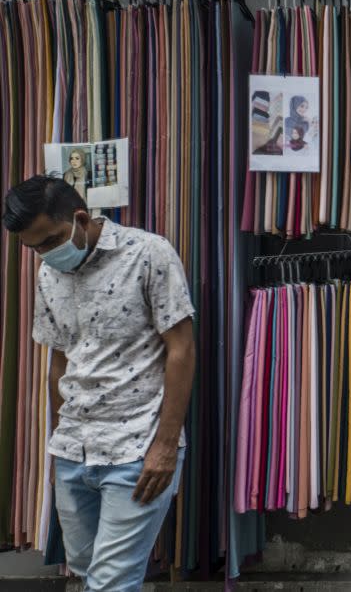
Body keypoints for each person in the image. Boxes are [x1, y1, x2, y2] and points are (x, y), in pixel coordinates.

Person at [2, 176, 196, 592]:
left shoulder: (148, 253)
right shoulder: (47, 274)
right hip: (74, 450)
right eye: (33, 247)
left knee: (111, 583)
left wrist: (165, 445)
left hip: (136, 449)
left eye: (51, 241)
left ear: (80, 218)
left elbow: (181, 349)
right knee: (88, 571)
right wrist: (59, 441)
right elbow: (59, 359)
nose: (45, 254)